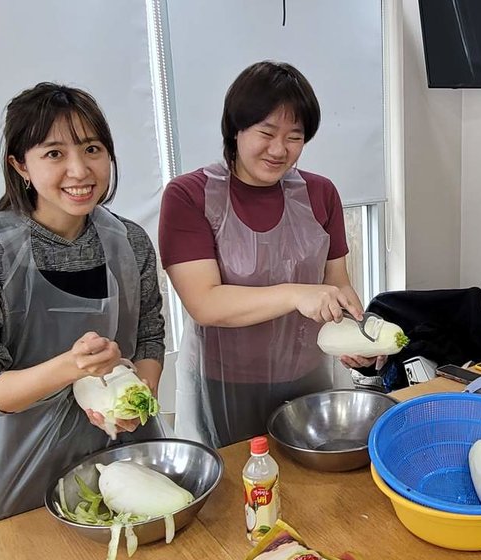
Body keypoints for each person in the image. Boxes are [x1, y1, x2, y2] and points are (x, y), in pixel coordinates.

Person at [0, 83, 166, 528]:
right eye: (54, 153)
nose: (79, 170)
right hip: (23, 474)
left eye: (92, 149)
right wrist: (71, 368)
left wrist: (140, 397)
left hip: (126, 456)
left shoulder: (130, 241)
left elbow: (150, 335)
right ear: (20, 165)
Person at [159, 61, 378, 449]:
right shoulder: (189, 196)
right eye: (266, 132)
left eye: (295, 136)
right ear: (236, 129)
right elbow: (205, 303)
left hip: (309, 377)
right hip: (227, 385)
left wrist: (357, 338)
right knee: (244, 488)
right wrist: (296, 293)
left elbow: (337, 285)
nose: (280, 150)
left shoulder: (320, 193)